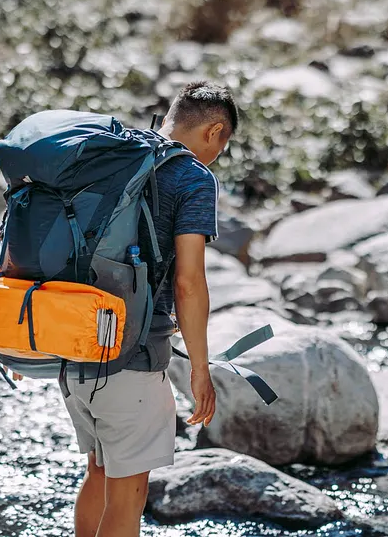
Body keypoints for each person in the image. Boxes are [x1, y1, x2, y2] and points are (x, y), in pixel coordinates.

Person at [61, 81, 237, 537]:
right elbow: (189, 281)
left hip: (73, 342)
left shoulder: (117, 156)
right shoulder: (193, 177)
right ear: (215, 130)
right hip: (132, 356)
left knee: (98, 472)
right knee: (129, 494)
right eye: (224, 144)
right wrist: (200, 369)